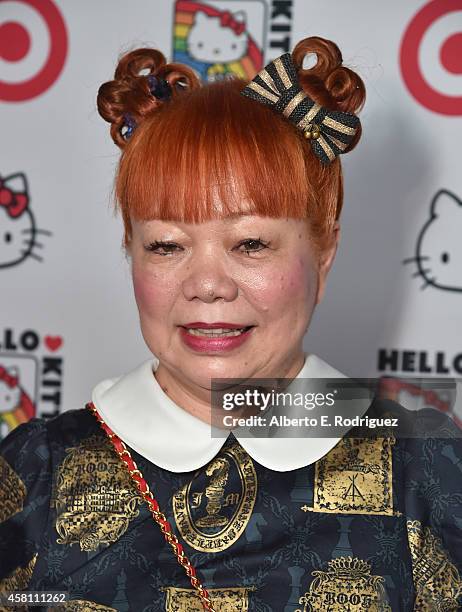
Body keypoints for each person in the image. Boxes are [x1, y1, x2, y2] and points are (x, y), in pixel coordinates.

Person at [1, 35, 461, 612]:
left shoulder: (431, 472)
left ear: (324, 252)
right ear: (130, 252)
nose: (207, 284)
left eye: (250, 243)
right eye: (167, 246)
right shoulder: (33, 474)